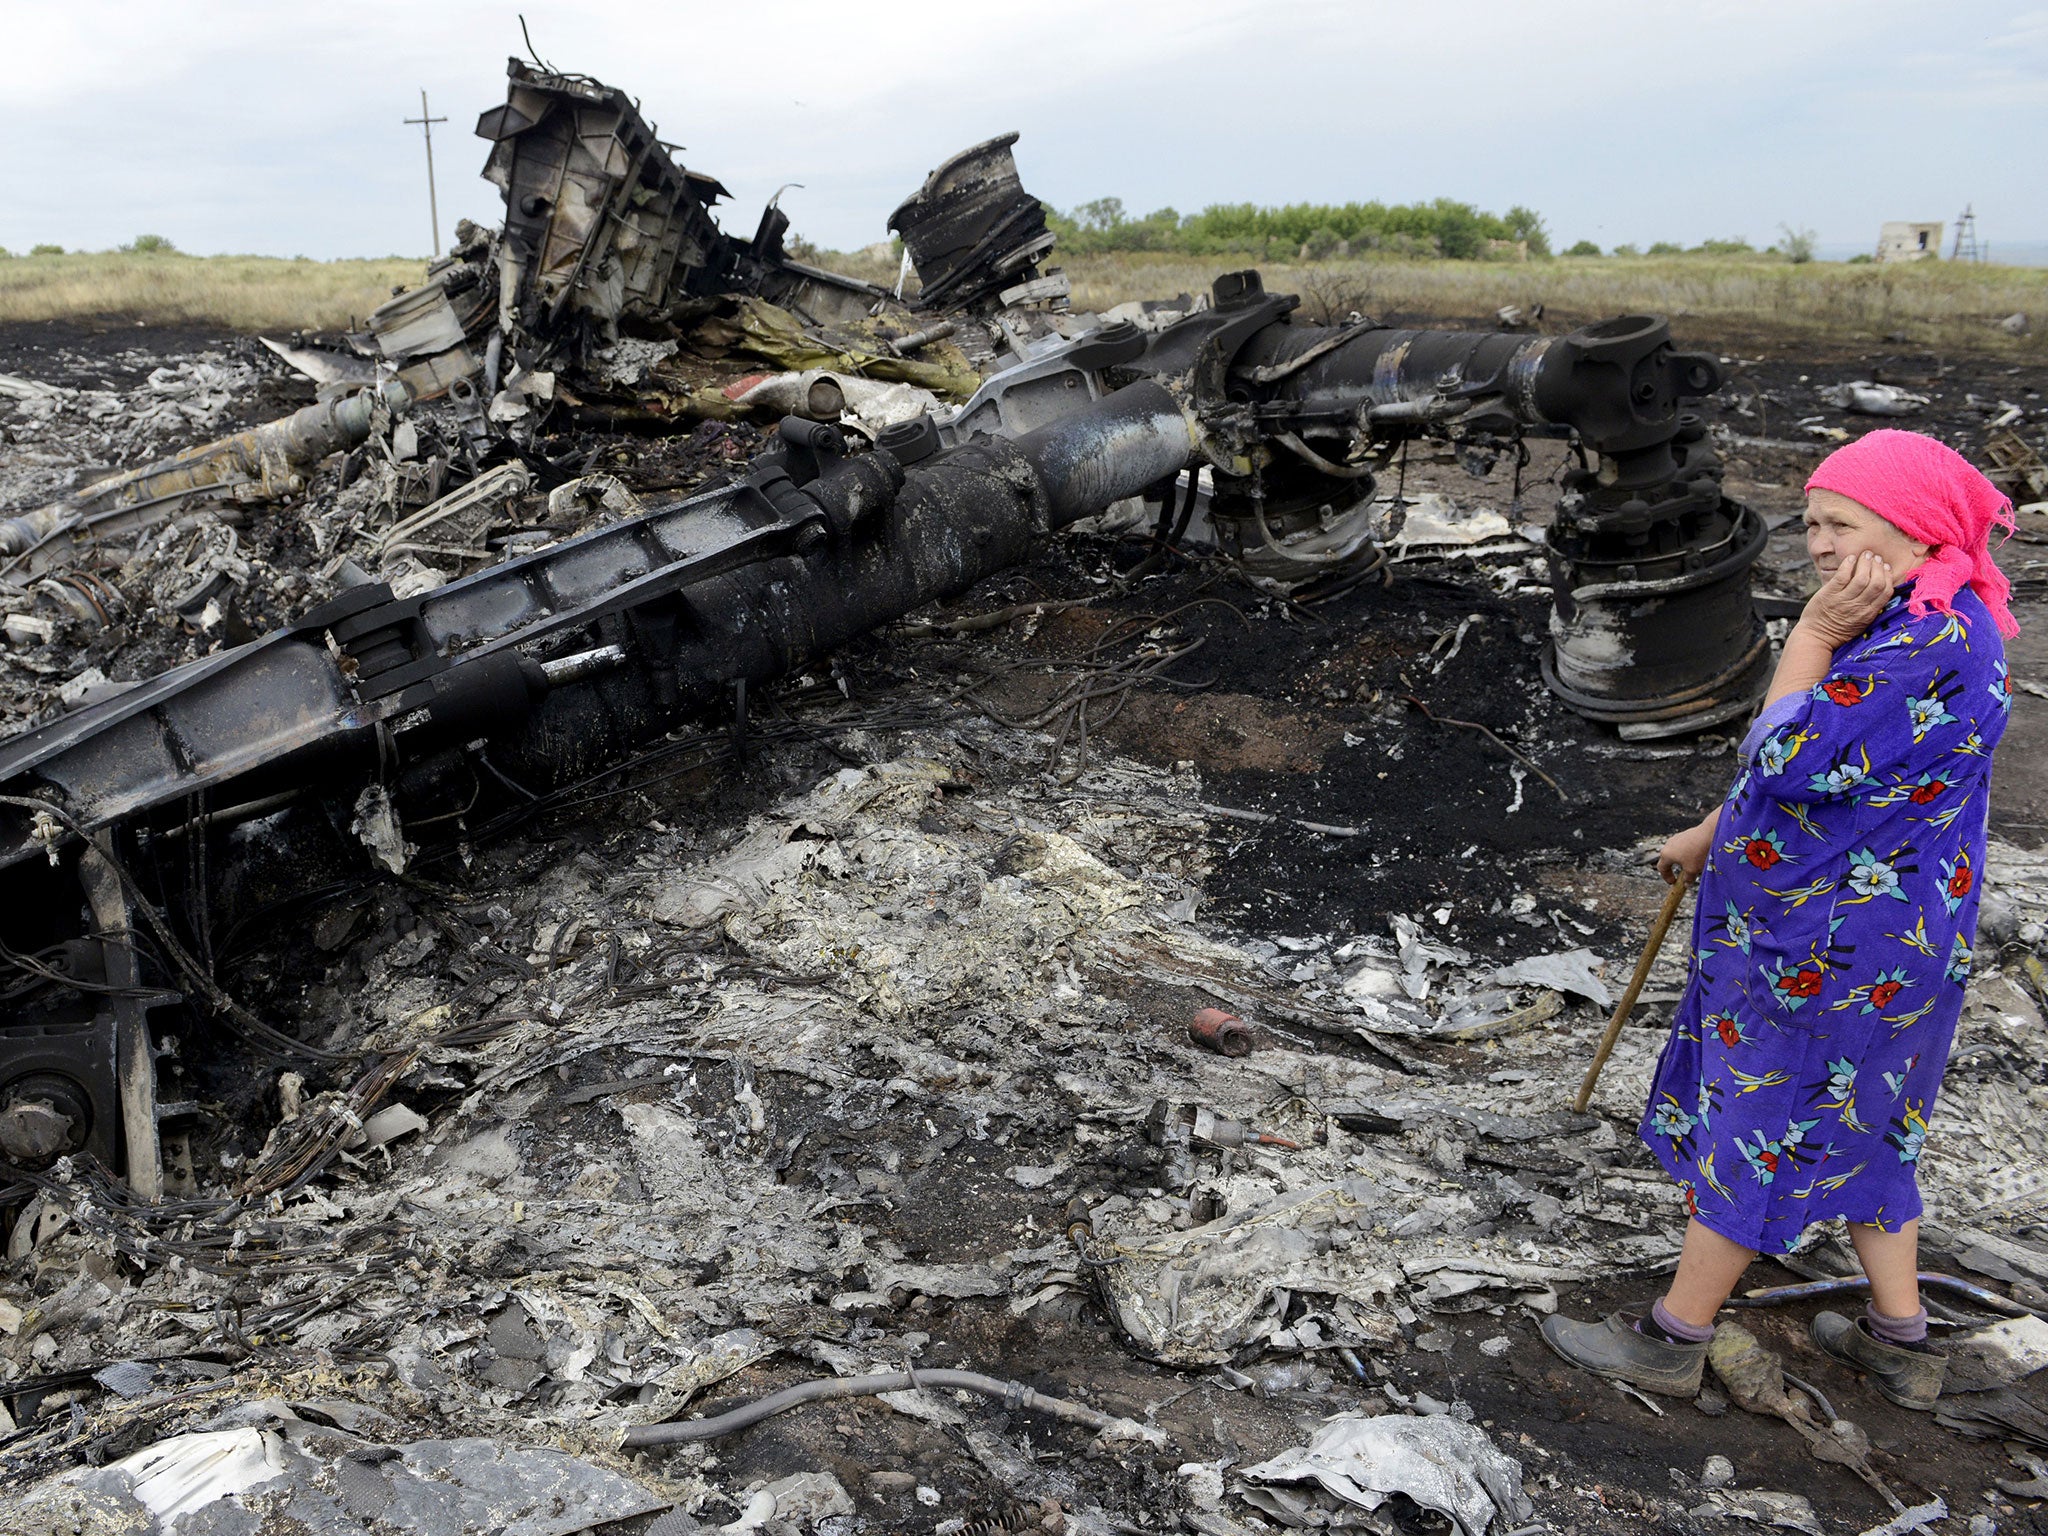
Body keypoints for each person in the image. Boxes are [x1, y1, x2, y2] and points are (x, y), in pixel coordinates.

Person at [1542, 429, 2019, 1410]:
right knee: (1870, 1123)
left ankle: (1672, 1338)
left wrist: (1804, 638)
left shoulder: (1926, 644)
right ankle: (1900, 1341)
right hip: (1885, 942)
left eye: (1837, 522)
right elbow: (1847, 778)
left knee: (1763, 1122)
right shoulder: (1917, 615)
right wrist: (1715, 831)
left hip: (1838, 950)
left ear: (1912, 530)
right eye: (1807, 521)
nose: (1813, 540)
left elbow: (1788, 757)